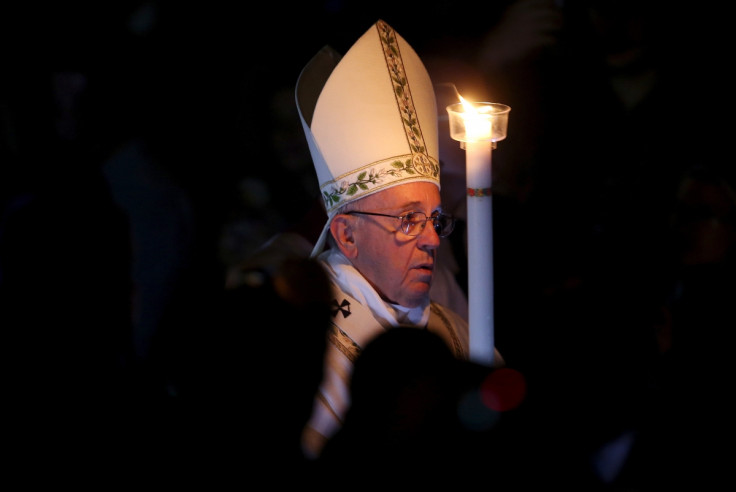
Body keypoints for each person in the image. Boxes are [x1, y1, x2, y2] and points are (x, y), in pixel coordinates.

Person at [279, 19, 506, 459]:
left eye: (435, 220)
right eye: (407, 220)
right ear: (347, 234)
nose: (432, 241)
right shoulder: (299, 346)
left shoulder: (460, 334)